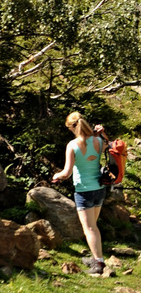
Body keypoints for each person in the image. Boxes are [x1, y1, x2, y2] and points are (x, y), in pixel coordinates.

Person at [50, 113, 108, 275]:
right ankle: (96, 258)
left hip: (84, 190)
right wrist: (102, 134)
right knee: (93, 227)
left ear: (72, 127)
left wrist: (56, 176)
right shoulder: (98, 141)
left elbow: (67, 172)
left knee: (89, 228)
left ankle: (98, 264)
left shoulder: (72, 145)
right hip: (99, 188)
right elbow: (108, 147)